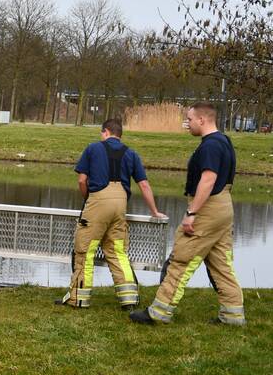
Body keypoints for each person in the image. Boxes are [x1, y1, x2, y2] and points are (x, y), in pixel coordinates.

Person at [131, 102, 245, 326]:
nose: (187, 123)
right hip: (224, 206)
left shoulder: (211, 145)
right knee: (221, 263)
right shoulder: (224, 141)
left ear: (202, 120)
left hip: (208, 207)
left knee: (182, 258)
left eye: (189, 119)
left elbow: (209, 179)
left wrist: (192, 213)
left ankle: (160, 311)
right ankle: (233, 314)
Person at [57, 118, 165, 310]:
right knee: (117, 251)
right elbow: (144, 184)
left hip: (98, 202)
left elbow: (82, 181)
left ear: (105, 132)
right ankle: (129, 299)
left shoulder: (92, 148)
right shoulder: (131, 153)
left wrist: (89, 198)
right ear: (119, 134)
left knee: (85, 250)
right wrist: (154, 211)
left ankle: (78, 299)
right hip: (120, 204)